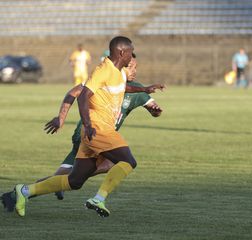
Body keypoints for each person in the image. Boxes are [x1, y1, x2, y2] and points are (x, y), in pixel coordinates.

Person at [5, 36, 147, 218]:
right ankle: (99, 198)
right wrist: (87, 124)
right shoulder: (103, 70)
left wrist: (144, 89)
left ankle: (24, 191)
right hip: (97, 128)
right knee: (128, 161)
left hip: (96, 130)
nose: (131, 58)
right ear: (121, 52)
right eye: (129, 53)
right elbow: (82, 95)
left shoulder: (117, 72)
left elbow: (121, 87)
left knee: (75, 180)